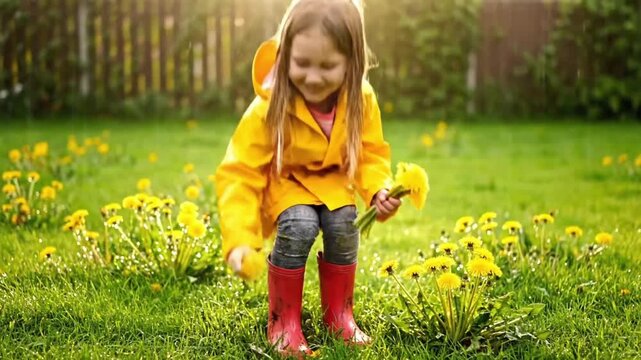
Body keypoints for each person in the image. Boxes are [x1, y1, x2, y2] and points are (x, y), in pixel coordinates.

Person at [215, 0, 401, 356]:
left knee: (344, 222)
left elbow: (370, 153)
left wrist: (379, 188)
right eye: (302, 64)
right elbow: (240, 170)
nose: (313, 77)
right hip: (286, 183)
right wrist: (240, 238)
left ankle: (339, 315)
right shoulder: (270, 103)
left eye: (328, 66)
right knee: (300, 224)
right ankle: (283, 321)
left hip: (332, 183)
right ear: (285, 54)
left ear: (352, 62)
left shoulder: (361, 98)